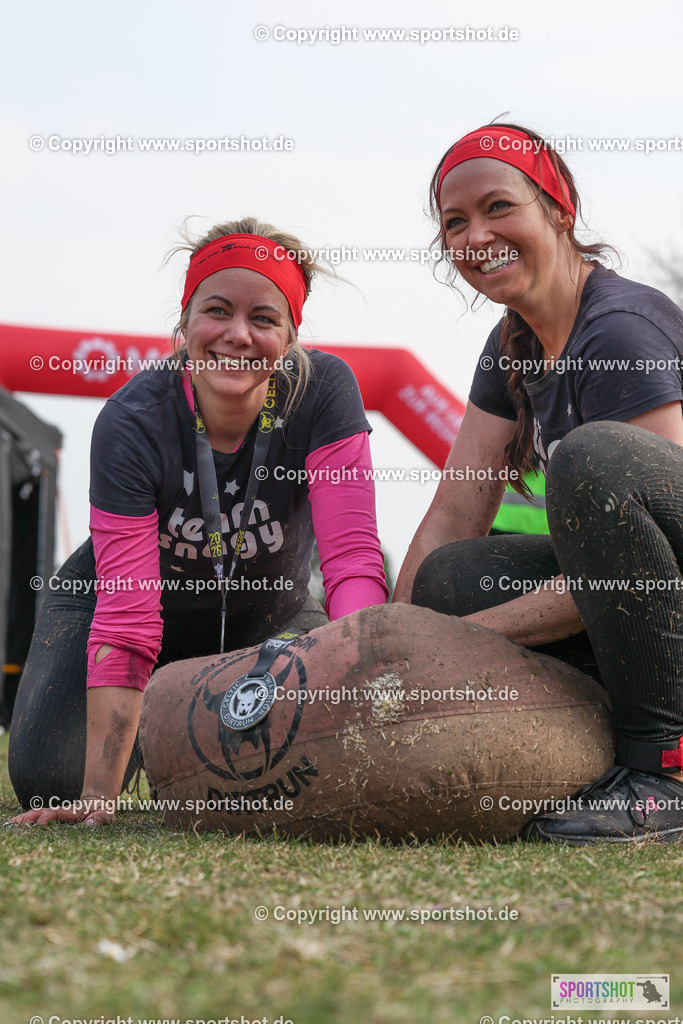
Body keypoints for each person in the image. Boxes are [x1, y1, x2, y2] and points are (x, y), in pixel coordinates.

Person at [8, 218, 388, 826]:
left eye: (263, 318)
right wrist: (99, 798)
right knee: (51, 783)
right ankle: (165, 730)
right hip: (114, 602)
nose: (237, 335)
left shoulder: (324, 391)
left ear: (290, 339)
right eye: (217, 311)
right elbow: (127, 614)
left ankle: (188, 734)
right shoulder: (132, 419)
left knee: (310, 767)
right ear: (183, 326)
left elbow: (351, 561)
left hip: (268, 613)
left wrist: (364, 678)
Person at [394, 123, 683, 844]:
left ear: (560, 211)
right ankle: (583, 754)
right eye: (454, 222)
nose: (475, 234)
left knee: (592, 462)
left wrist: (460, 644)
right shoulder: (512, 342)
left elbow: (660, 554)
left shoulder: (618, 330)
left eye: (498, 206)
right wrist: (387, 645)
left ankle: (665, 774)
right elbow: (454, 513)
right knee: (450, 578)